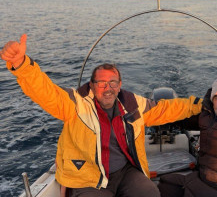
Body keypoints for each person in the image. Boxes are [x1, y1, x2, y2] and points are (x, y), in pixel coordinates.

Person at [0, 34, 203, 197]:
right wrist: (22, 65)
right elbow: (44, 92)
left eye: (113, 82)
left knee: (149, 191)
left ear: (120, 85)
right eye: (101, 83)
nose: (108, 88)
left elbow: (168, 108)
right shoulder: (74, 103)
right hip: (87, 177)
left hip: (125, 173)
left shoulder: (133, 104)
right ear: (92, 85)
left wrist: (200, 104)